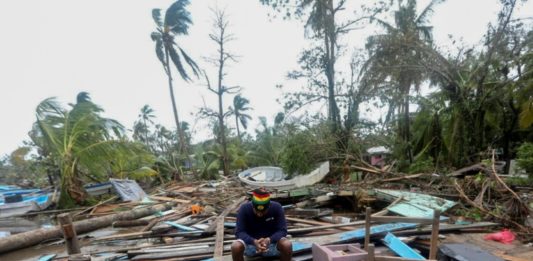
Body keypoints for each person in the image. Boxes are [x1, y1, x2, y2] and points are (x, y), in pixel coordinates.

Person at [231, 188, 292, 261]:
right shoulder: (244, 208)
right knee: (236, 247)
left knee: (287, 245)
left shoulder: (277, 207)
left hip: (271, 244)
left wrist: (269, 240)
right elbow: (239, 232)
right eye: (256, 211)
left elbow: (282, 230)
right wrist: (254, 241)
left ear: (269, 206)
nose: (259, 214)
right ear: (252, 206)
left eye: (263, 212)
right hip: (250, 245)